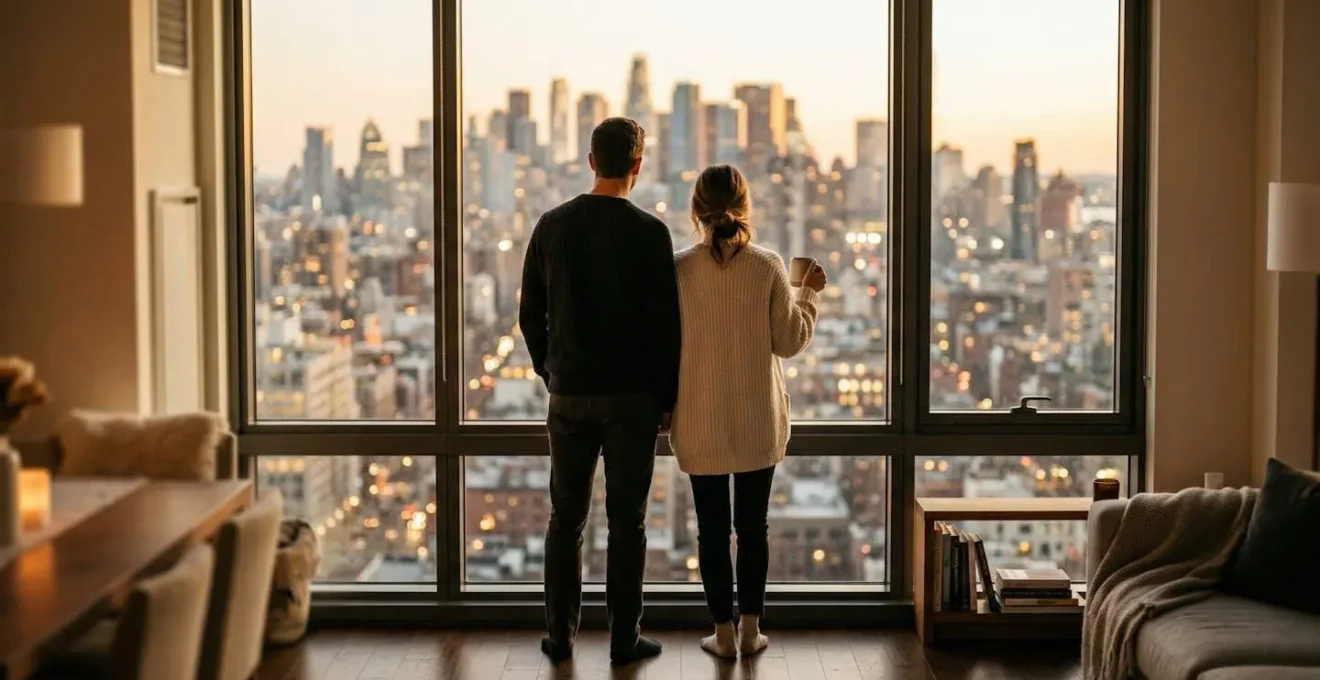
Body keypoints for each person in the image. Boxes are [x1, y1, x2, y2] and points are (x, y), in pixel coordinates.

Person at [518, 117, 680, 666]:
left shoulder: (551, 226)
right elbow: (666, 329)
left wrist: (552, 372)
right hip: (632, 400)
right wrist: (664, 399)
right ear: (638, 165)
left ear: (591, 161)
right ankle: (622, 640)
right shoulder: (651, 233)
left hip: (569, 397)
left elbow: (529, 315)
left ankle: (560, 638)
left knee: (566, 519)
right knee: (626, 520)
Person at [668, 164, 826, 659]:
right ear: (745, 207)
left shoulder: (678, 270)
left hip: (698, 420)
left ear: (695, 210)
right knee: (752, 528)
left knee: (711, 531)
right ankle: (752, 630)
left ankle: (721, 635)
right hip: (758, 418)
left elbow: (664, 347)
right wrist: (808, 293)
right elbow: (789, 341)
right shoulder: (767, 266)